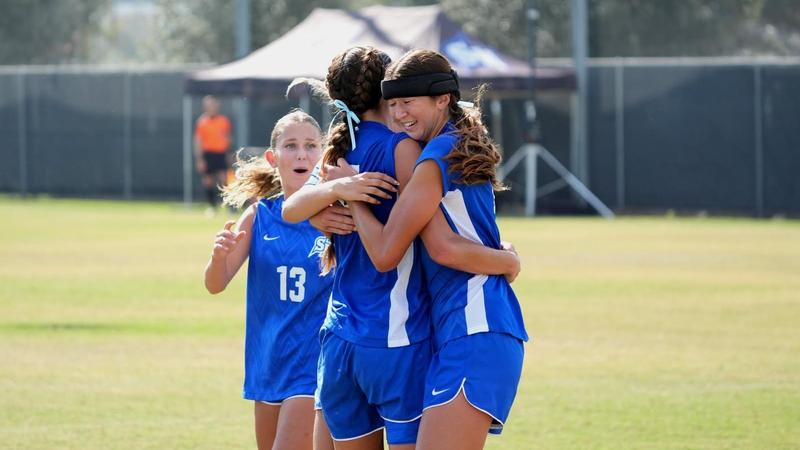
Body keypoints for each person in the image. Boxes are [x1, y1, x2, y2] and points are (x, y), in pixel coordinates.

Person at [282, 46, 521, 450]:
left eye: (407, 102)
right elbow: (428, 248)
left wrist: (336, 195)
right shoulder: (423, 147)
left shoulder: (410, 154)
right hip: (414, 334)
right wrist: (508, 260)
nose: (400, 113)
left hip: (465, 325)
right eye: (394, 102)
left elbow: (292, 208)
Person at [203, 109, 334, 450]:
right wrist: (219, 257)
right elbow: (215, 284)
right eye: (291, 146)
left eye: (310, 145)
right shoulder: (259, 215)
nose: (302, 153)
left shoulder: (335, 215)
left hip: (313, 362)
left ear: (322, 155)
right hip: (268, 359)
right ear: (273, 158)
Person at [195, 95, 232, 213]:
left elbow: (227, 138)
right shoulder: (202, 122)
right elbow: (198, 141)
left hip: (220, 153)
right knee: (208, 181)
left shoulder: (223, 121)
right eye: (209, 105)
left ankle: (228, 205)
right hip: (208, 154)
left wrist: (228, 154)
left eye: (213, 105)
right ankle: (212, 207)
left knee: (223, 179)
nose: (212, 108)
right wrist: (200, 159)